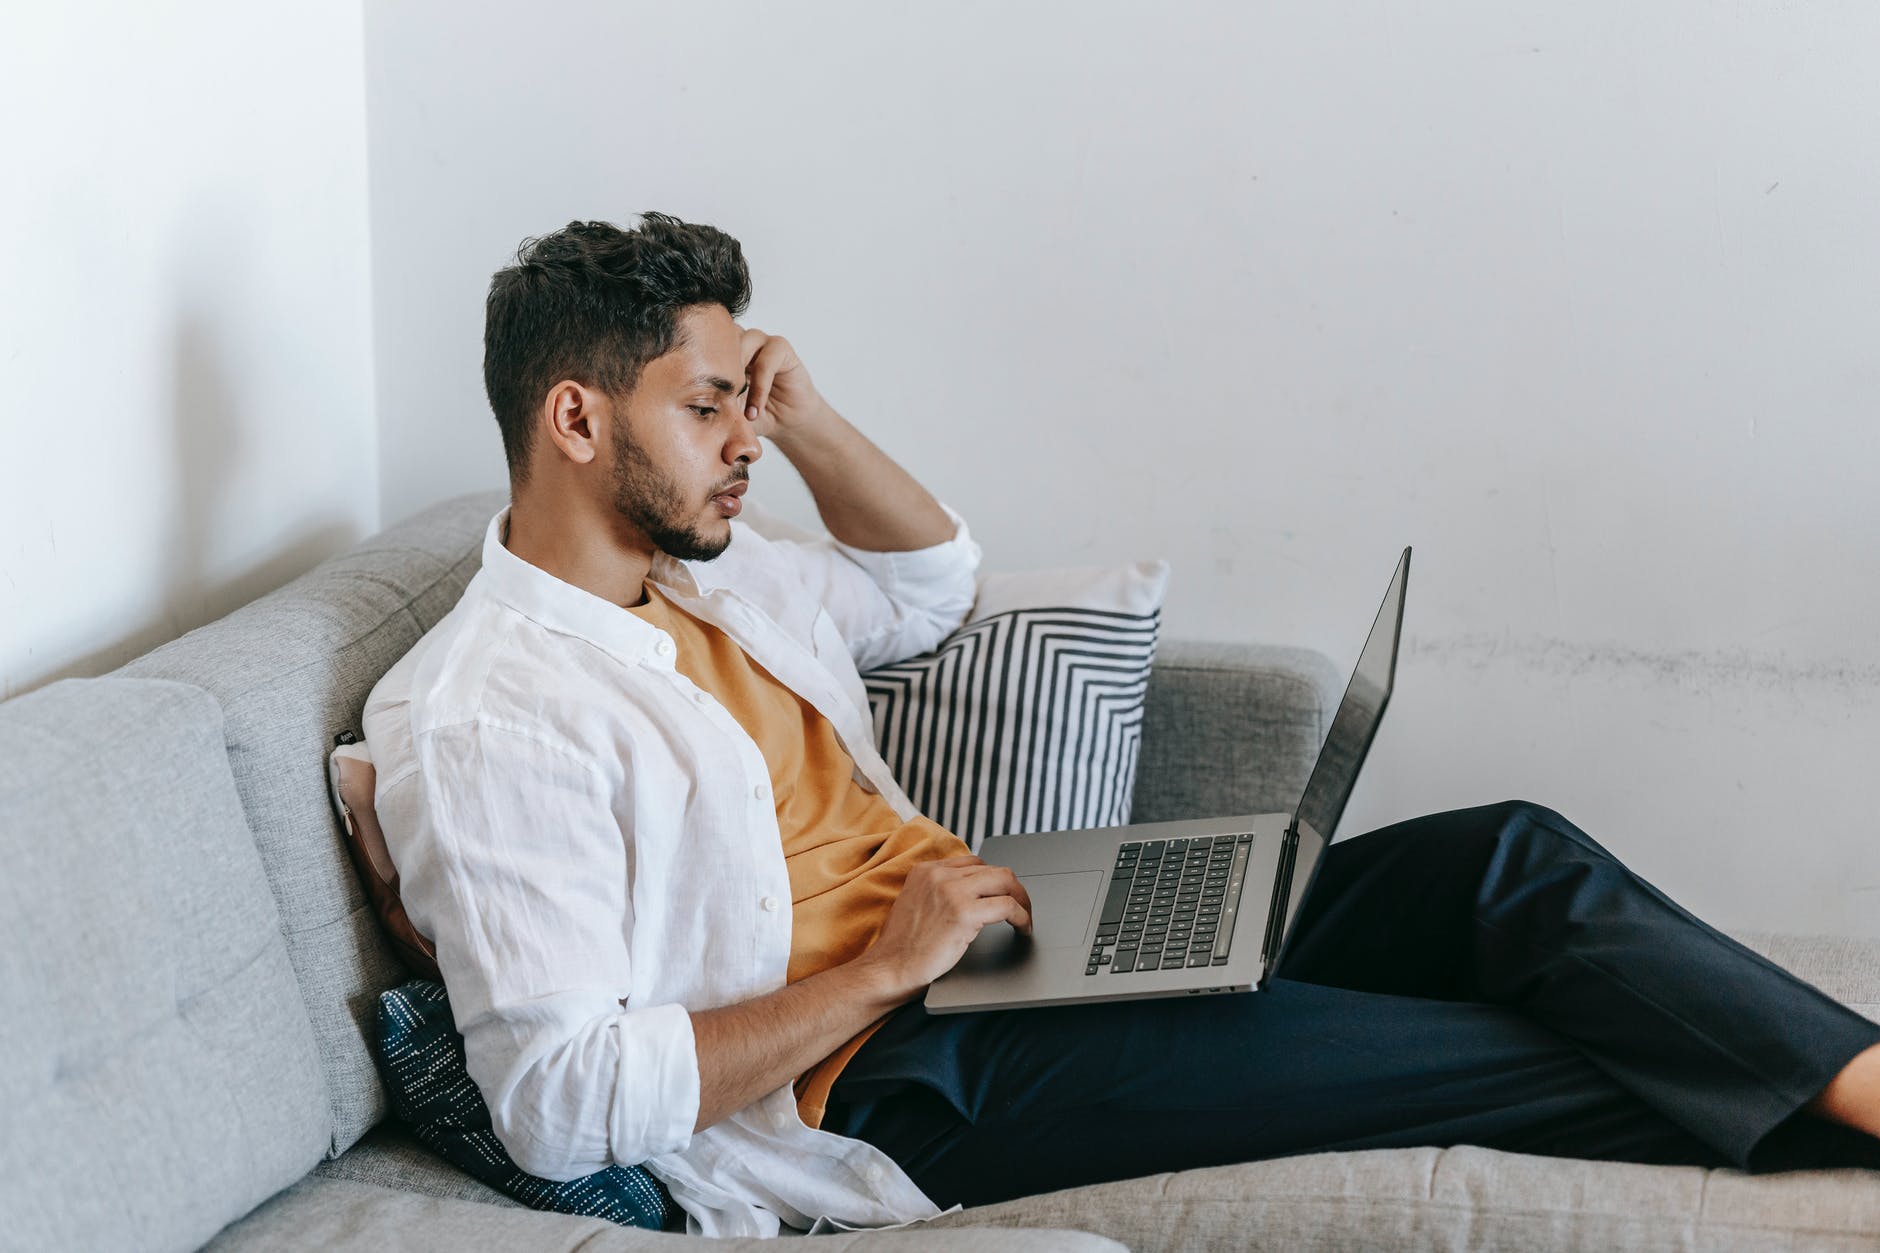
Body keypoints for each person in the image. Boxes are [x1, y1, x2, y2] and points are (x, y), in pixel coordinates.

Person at [361, 213, 1880, 1239]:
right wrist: (892, 960)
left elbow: (932, 582)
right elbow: (560, 1103)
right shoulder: (490, 718)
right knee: (1493, 1048)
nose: (743, 440)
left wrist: (805, 414)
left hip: (1016, 940)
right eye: (710, 408)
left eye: (742, 404)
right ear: (575, 419)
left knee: (1509, 859)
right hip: (898, 1075)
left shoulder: (713, 566)